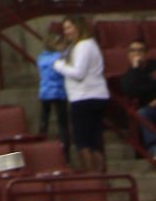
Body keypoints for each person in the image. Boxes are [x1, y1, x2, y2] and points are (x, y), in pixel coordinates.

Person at [53, 14, 109, 175]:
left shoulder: (83, 45)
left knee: (83, 142)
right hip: (93, 96)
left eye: (69, 27)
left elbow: (78, 73)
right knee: (94, 141)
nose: (66, 32)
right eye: (64, 29)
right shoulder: (87, 45)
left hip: (85, 98)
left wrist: (59, 65)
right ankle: (100, 179)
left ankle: (92, 179)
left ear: (78, 27)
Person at [32, 30, 69, 154]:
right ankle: (65, 152)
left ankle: (40, 147)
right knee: (62, 124)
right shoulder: (59, 57)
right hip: (58, 92)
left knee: (44, 121)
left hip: (44, 93)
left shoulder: (41, 58)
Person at [118, 38, 156, 153]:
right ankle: (154, 149)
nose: (137, 53)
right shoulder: (129, 75)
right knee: (142, 113)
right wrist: (135, 68)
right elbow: (131, 91)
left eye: (140, 50)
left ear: (146, 53)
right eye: (133, 51)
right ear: (129, 54)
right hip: (149, 109)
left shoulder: (154, 67)